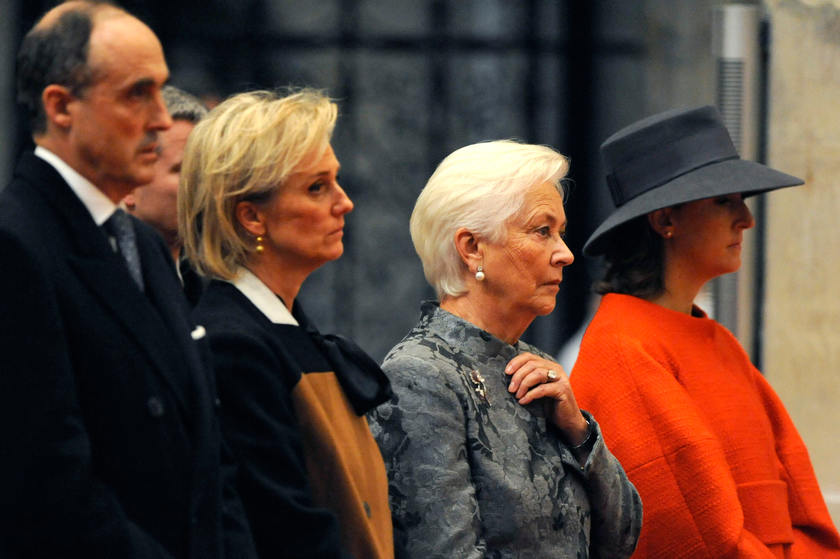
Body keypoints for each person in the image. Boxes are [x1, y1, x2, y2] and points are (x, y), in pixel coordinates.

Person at [0, 2, 257, 558]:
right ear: (61, 106)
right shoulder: (17, 245)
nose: (163, 119)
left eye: (161, 90)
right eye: (136, 94)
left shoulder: (136, 240)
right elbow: (48, 481)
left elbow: (206, 453)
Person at [570, 105, 840, 558]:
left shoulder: (714, 340)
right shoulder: (624, 348)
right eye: (723, 200)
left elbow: (800, 498)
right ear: (664, 221)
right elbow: (695, 534)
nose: (746, 219)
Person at [368, 140, 642, 558]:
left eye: (561, 233)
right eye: (541, 231)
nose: (565, 254)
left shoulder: (540, 367)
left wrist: (579, 431)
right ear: (472, 247)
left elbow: (622, 540)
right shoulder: (419, 375)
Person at [179, 88, 394, 559]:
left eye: (336, 181)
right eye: (318, 187)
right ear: (252, 215)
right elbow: (286, 529)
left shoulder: (287, 328)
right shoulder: (233, 343)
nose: (345, 203)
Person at [124, 84, 208, 304]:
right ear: (128, 185)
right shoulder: (107, 285)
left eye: (207, 170)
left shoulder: (204, 286)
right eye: (183, 170)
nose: (205, 185)